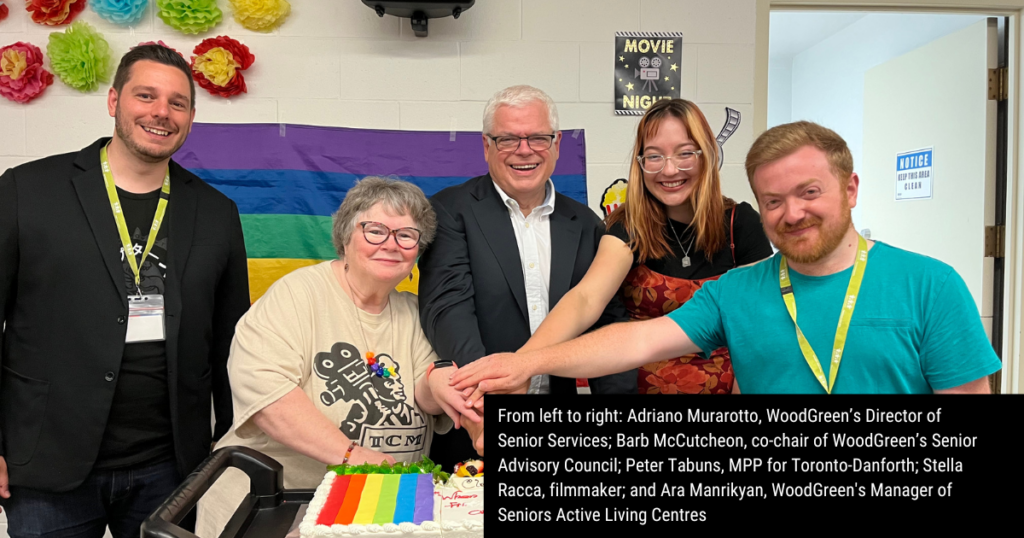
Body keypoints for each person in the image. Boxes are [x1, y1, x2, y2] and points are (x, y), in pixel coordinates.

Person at [451, 121, 1000, 395]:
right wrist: (525, 362)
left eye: (810, 193)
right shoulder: (736, 291)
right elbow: (636, 340)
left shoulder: (931, 285)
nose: (793, 214)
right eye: (775, 201)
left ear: (851, 189)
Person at [0, 44, 250, 537]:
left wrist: (228, 450)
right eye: (146, 95)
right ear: (114, 101)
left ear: (192, 117)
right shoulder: (25, 192)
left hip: (173, 468)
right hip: (48, 462)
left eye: (178, 103)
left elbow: (231, 343)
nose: (162, 112)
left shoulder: (217, 212)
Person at [196, 177, 452, 535]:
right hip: (274, 507)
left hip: (375, 511)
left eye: (406, 235)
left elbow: (426, 384)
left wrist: (449, 389)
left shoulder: (416, 311)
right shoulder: (297, 295)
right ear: (345, 236)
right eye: (375, 230)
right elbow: (267, 394)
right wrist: (353, 457)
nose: (391, 245)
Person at [417, 85, 634, 469]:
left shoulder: (585, 224)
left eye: (537, 137)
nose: (524, 149)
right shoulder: (450, 211)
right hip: (475, 425)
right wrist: (490, 405)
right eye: (508, 139)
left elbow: (607, 324)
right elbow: (448, 310)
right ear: (486, 146)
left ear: (556, 144)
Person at [517, 99, 772, 395]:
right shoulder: (628, 223)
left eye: (685, 153)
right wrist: (520, 364)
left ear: (708, 155)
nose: (670, 170)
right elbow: (586, 299)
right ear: (640, 164)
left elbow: (758, 326)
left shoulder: (740, 223)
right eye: (654, 157)